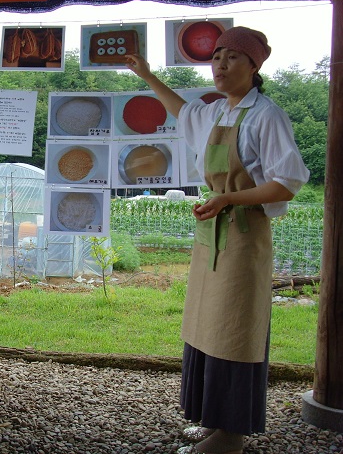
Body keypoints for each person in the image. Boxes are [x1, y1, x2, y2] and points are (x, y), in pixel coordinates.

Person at [126, 26, 310, 454]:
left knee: (235, 330)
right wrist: (148, 76)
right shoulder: (217, 112)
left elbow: (287, 182)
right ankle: (212, 420)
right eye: (216, 57)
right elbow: (182, 111)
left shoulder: (266, 115)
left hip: (245, 234)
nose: (220, 65)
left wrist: (229, 197)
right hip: (213, 232)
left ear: (254, 66)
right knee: (206, 326)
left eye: (232, 57)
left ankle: (231, 435)